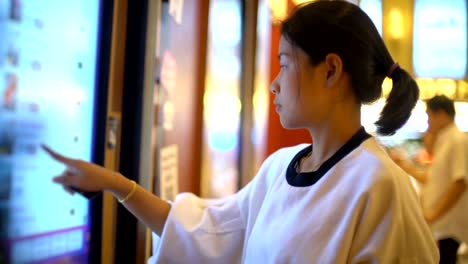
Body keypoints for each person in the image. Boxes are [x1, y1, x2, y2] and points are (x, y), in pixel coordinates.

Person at [43, 1, 439, 263]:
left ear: (331, 70)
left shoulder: (380, 185)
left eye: (285, 64)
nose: (274, 84)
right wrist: (114, 183)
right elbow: (202, 232)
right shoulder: (280, 168)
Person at [392, 95, 468, 264]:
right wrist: (404, 165)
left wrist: (434, 215)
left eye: (429, 116)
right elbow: (433, 178)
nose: (428, 122)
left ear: (441, 115)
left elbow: (460, 182)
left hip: (449, 223)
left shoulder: (458, 140)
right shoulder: (445, 139)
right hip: (441, 222)